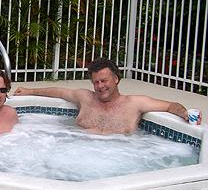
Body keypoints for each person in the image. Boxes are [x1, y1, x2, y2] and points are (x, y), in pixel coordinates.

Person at [13, 57, 202, 135]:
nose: (100, 86)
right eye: (96, 82)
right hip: (75, 152)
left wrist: (185, 114)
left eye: (104, 81)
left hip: (117, 157)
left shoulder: (135, 103)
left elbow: (171, 105)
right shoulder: (86, 98)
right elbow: (60, 91)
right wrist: (29, 91)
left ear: (116, 79)